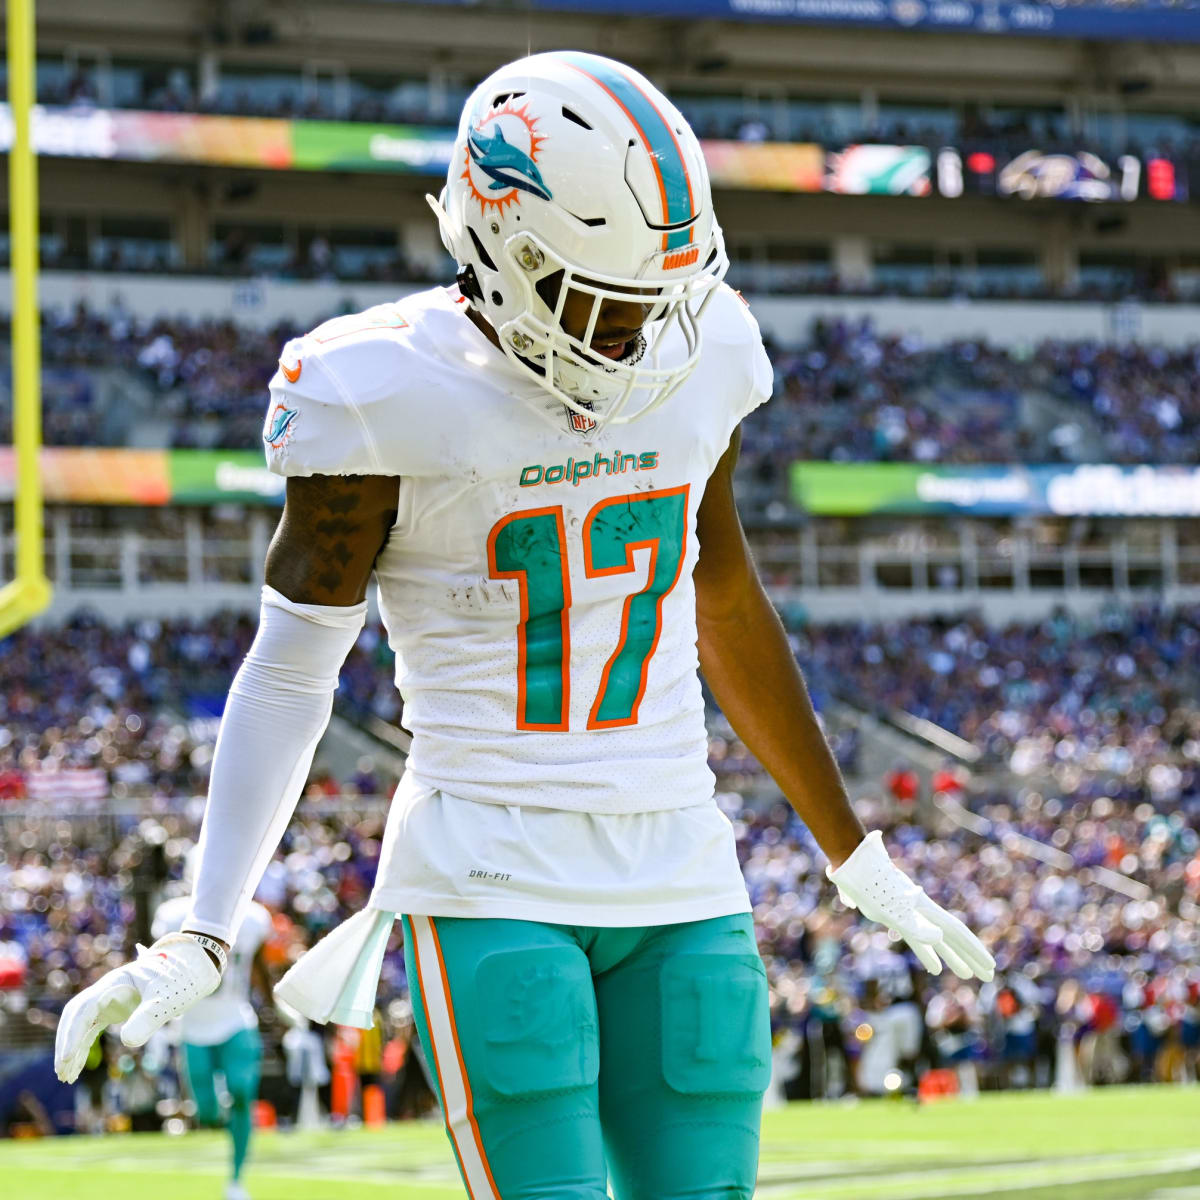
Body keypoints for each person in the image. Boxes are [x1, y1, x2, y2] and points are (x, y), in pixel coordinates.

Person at [55, 51, 993, 1200]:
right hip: (489, 862)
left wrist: (855, 854)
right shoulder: (379, 388)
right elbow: (292, 673)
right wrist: (206, 924)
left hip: (683, 863)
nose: (640, 337)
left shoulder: (700, 348)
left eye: (661, 298)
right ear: (504, 256)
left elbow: (721, 586)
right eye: (604, 303)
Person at [153, 886, 273, 1200]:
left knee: (243, 1091)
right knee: (206, 1112)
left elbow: (258, 966)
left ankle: (236, 1179)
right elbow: (158, 967)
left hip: (236, 1018)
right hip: (193, 1025)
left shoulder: (254, 918)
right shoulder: (174, 915)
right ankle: (220, 1114)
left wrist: (276, 1005)